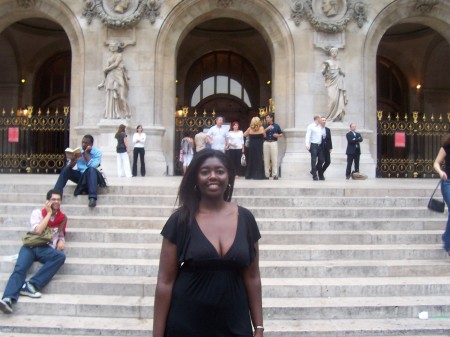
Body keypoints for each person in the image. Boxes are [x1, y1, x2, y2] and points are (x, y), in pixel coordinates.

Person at [153, 149, 264, 337]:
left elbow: (253, 277)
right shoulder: (180, 220)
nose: (213, 176)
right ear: (196, 177)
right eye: (205, 171)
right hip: (186, 323)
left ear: (229, 175)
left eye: (219, 171)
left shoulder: (246, 219)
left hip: (235, 322)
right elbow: (165, 281)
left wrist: (259, 327)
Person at [0, 189, 67, 314]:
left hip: (46, 249)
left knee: (60, 257)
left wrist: (61, 240)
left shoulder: (62, 218)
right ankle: (8, 298)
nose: (56, 201)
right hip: (30, 247)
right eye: (53, 199)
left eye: (58, 199)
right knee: (20, 269)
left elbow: (60, 233)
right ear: (47, 201)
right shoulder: (37, 213)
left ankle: (31, 285)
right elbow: (38, 231)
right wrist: (48, 214)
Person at [54, 134, 106, 208]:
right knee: (66, 170)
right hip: (81, 176)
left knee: (91, 170)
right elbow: (69, 166)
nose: (83, 144)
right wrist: (72, 161)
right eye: (83, 142)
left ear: (91, 144)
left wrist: (86, 154)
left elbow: (93, 166)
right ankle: (56, 194)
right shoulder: (78, 151)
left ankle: (92, 198)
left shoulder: (97, 152)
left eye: (86, 143)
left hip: (92, 177)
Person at [98, 41, 130, 119]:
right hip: (110, 76)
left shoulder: (119, 55)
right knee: (111, 95)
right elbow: (105, 72)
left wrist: (106, 69)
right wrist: (103, 82)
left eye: (114, 46)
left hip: (118, 76)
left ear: (117, 47)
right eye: (111, 46)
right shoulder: (109, 58)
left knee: (121, 97)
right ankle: (114, 114)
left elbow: (116, 64)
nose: (112, 47)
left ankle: (127, 113)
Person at [433, 134, 450, 256]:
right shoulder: (446, 147)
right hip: (447, 182)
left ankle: (446, 238)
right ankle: (447, 242)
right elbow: (436, 163)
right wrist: (440, 172)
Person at [322, 47, 347, 122]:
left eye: (335, 52)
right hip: (331, 82)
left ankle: (337, 117)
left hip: (338, 81)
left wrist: (340, 71)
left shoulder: (339, 62)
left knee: (339, 100)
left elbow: (344, 73)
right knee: (332, 99)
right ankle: (329, 117)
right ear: (330, 53)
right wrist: (326, 67)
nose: (334, 53)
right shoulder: (327, 62)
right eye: (333, 52)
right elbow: (323, 72)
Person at [263, 114, 283, 180]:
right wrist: (267, 129)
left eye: (268, 117)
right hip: (266, 142)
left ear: (271, 118)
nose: (266, 119)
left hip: (274, 142)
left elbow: (281, 133)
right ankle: (266, 175)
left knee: (274, 159)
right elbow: (261, 133)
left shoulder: (276, 126)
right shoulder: (264, 126)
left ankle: (274, 175)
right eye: (266, 118)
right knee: (266, 159)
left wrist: (278, 135)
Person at [305, 115, 324, 181]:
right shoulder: (311, 126)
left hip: (319, 145)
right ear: (317, 119)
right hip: (314, 145)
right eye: (320, 119)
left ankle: (314, 170)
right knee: (313, 160)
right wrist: (307, 144)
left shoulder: (320, 126)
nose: (321, 120)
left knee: (322, 160)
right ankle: (314, 176)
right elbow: (308, 135)